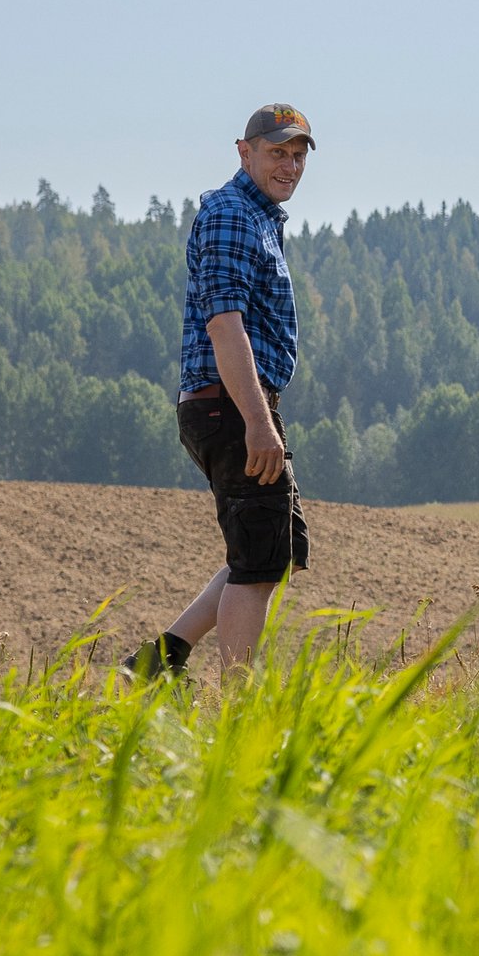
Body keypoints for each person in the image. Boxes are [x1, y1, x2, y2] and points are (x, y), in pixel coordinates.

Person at [134, 104, 314, 680]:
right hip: (232, 403)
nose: (289, 165)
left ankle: (157, 664)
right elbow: (224, 323)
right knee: (258, 565)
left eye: (297, 154)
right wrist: (258, 423)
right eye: (276, 152)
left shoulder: (257, 217)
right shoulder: (233, 214)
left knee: (271, 547)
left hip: (232, 402)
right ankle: (238, 709)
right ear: (244, 151)